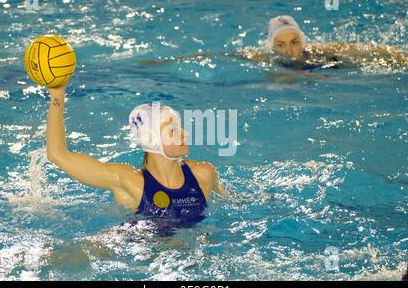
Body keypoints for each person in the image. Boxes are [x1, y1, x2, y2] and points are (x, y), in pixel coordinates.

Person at [46, 79, 228, 226]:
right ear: (151, 139)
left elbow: (229, 203)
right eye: (173, 130)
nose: (184, 134)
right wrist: (58, 93)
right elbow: (58, 155)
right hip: (140, 246)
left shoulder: (203, 174)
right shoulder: (130, 182)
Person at [140, 15, 408, 71]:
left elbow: (374, 50)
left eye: (294, 42)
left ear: (302, 40)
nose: (290, 50)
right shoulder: (261, 58)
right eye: (281, 45)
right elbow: (216, 55)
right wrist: (167, 62)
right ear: (271, 47)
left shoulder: (324, 51)